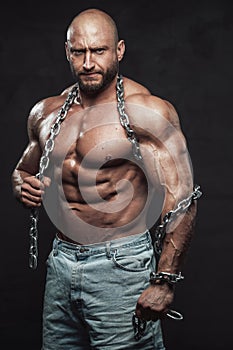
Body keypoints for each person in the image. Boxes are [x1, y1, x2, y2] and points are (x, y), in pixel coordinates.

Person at [11, 8, 201, 350]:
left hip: (121, 265)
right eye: (78, 52)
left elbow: (181, 199)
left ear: (119, 50)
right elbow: (23, 170)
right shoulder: (47, 112)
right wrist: (22, 185)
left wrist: (165, 281)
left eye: (98, 51)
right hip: (61, 264)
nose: (88, 63)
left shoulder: (148, 110)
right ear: (67, 51)